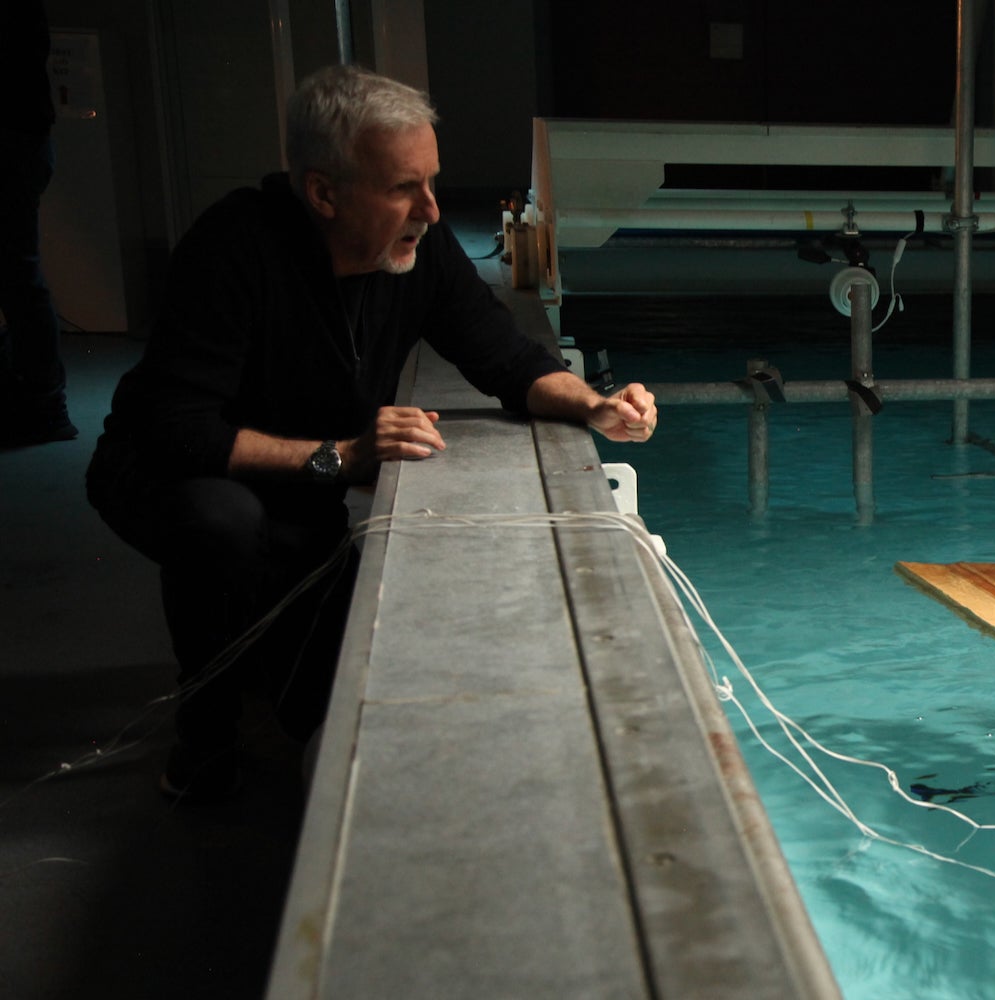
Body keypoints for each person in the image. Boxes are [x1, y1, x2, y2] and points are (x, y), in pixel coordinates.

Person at [85, 65, 658, 800]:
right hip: (165, 471)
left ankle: (258, 652)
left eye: (432, 181)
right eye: (402, 189)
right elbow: (177, 431)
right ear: (323, 193)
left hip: (299, 483)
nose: (431, 208)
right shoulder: (231, 249)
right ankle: (204, 736)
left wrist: (593, 405)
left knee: (317, 708)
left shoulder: (419, 247)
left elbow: (504, 356)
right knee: (222, 523)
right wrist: (341, 456)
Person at [0, 0, 74, 446]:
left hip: (13, 139)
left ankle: (44, 404)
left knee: (16, 273)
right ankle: (43, 403)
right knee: (18, 272)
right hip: (22, 138)